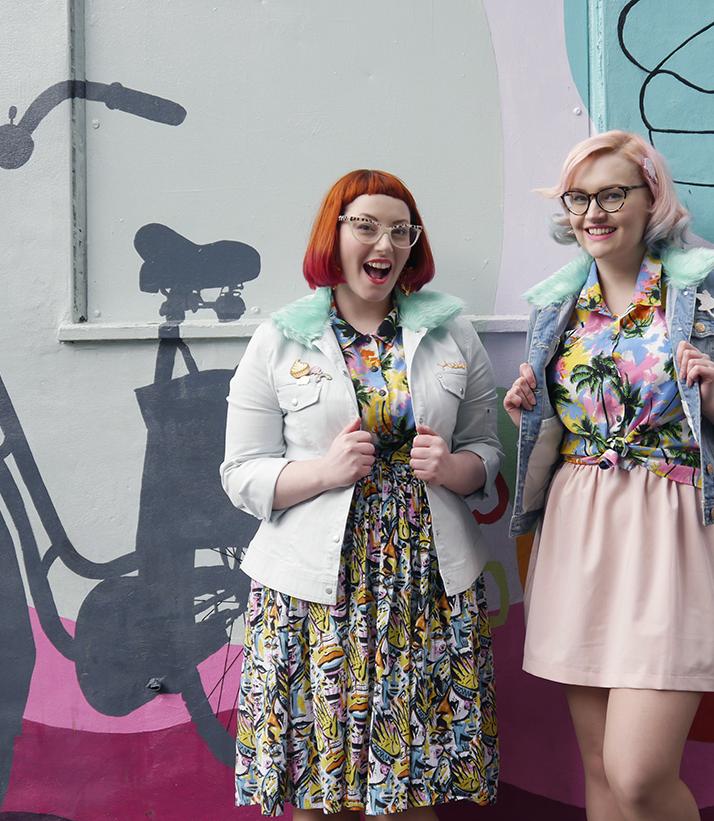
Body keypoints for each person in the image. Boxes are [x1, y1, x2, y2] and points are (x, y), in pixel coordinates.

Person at [503, 131, 714, 821]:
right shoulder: (555, 306)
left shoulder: (702, 293)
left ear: (650, 199)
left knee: (638, 776)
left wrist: (712, 400)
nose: (592, 213)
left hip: (676, 529)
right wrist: (527, 407)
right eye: (578, 198)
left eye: (611, 195)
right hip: (580, 527)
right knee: (600, 773)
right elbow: (555, 424)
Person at [221, 169, 501, 820]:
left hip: (423, 586)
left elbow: (487, 451)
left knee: (411, 791)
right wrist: (324, 471)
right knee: (318, 791)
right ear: (335, 234)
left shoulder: (452, 332)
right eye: (367, 226)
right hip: (314, 593)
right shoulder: (280, 337)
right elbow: (241, 473)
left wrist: (453, 468)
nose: (385, 243)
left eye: (401, 231)